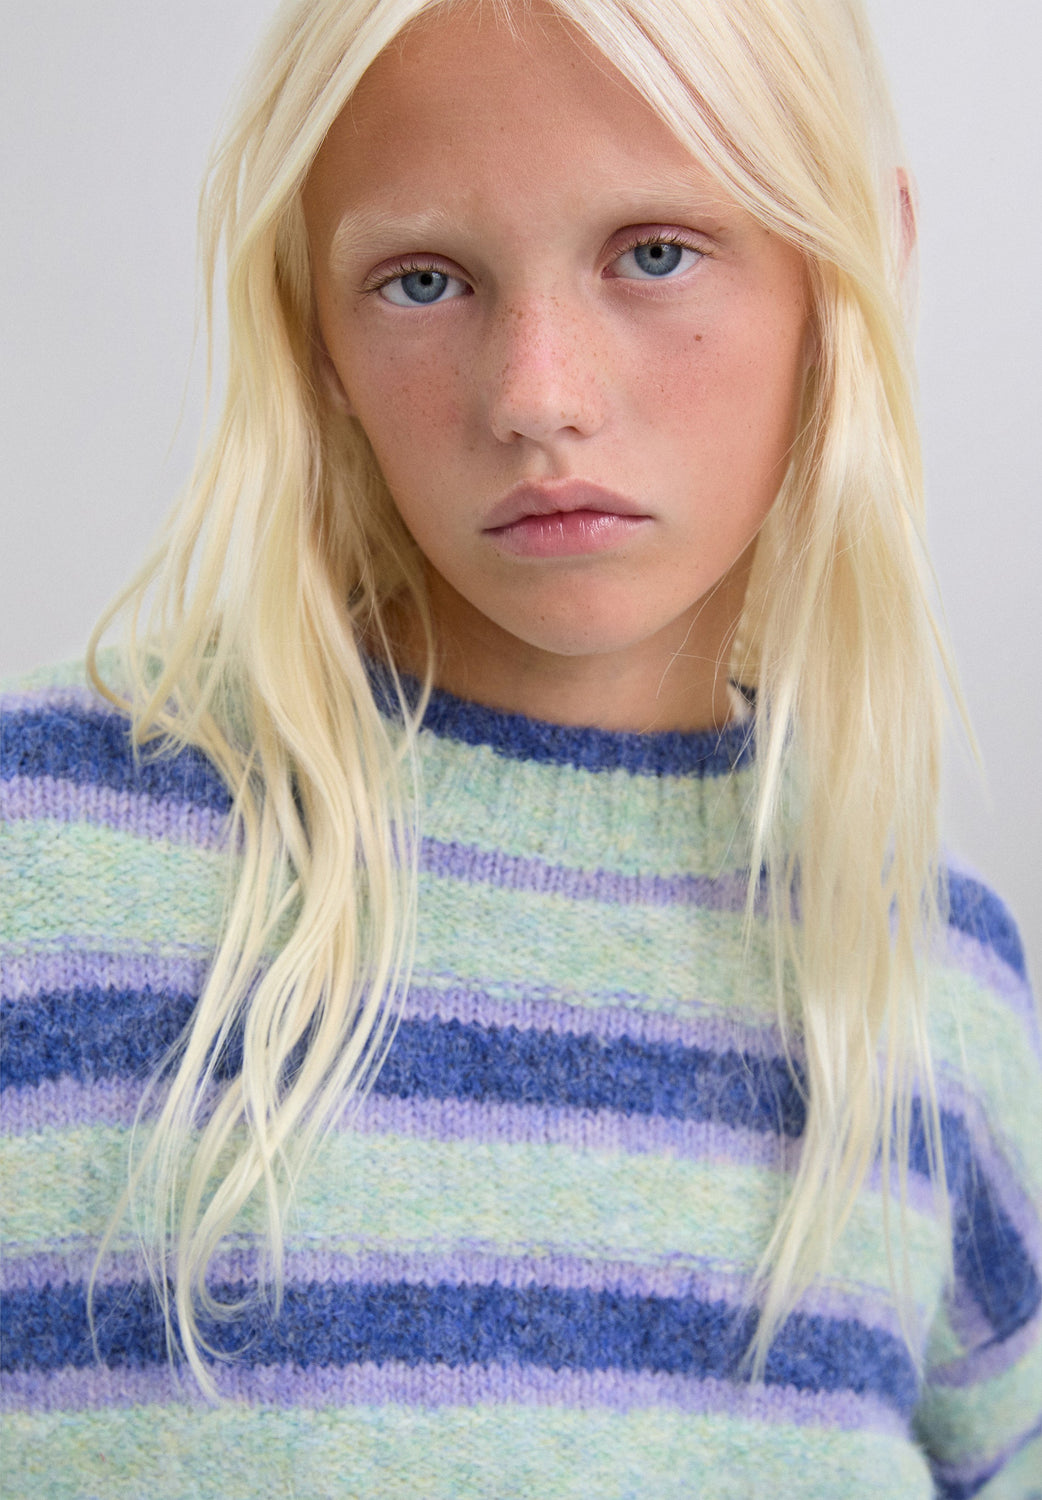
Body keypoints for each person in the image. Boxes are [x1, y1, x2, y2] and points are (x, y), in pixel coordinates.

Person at [2, 0, 1038, 1494]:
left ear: (858, 259)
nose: (537, 396)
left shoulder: (926, 979)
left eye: (655, 252)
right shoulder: (40, 857)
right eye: (422, 280)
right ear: (313, 325)